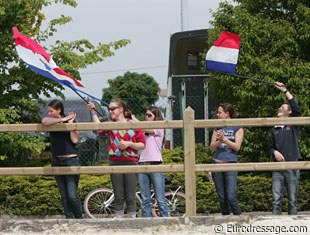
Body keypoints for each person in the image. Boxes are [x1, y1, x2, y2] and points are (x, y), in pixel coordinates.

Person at [87, 98, 146, 218]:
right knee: (118, 195)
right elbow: (98, 127)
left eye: (113, 108)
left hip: (131, 162)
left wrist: (129, 144)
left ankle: (132, 219)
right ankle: (119, 220)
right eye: (109, 109)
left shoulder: (133, 124)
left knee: (130, 195)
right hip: (115, 162)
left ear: (121, 109)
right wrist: (93, 111)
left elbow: (142, 144)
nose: (110, 111)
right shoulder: (110, 124)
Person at [41, 99, 83, 219]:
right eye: (48, 111)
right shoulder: (52, 121)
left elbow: (75, 140)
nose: (49, 113)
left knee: (72, 195)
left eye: (51, 111)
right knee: (64, 195)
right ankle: (69, 219)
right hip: (56, 160)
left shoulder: (72, 121)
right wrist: (62, 119)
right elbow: (44, 121)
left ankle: (79, 219)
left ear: (59, 110)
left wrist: (69, 123)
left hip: (71, 160)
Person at [270, 82, 301, 215]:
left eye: (282, 107)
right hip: (277, 167)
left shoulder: (293, 124)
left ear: (289, 113)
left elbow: (296, 108)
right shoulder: (274, 128)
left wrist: (284, 90)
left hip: (292, 165)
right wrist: (274, 152)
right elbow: (270, 147)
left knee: (293, 200)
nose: (279, 109)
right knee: (276, 199)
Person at [209, 103, 244, 215]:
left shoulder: (237, 127)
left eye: (220, 112)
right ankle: (225, 218)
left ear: (227, 114)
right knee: (222, 197)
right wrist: (219, 140)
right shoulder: (217, 127)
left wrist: (225, 140)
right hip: (217, 162)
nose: (217, 114)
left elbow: (237, 147)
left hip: (230, 163)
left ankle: (239, 219)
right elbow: (212, 146)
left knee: (231, 195)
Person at [138, 106, 168, 217]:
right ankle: (146, 222)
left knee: (160, 198)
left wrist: (133, 119)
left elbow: (143, 128)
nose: (147, 117)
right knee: (145, 199)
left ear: (156, 117)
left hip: (156, 164)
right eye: (146, 115)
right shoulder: (143, 131)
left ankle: (166, 221)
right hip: (142, 164)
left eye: (150, 115)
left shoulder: (159, 127)